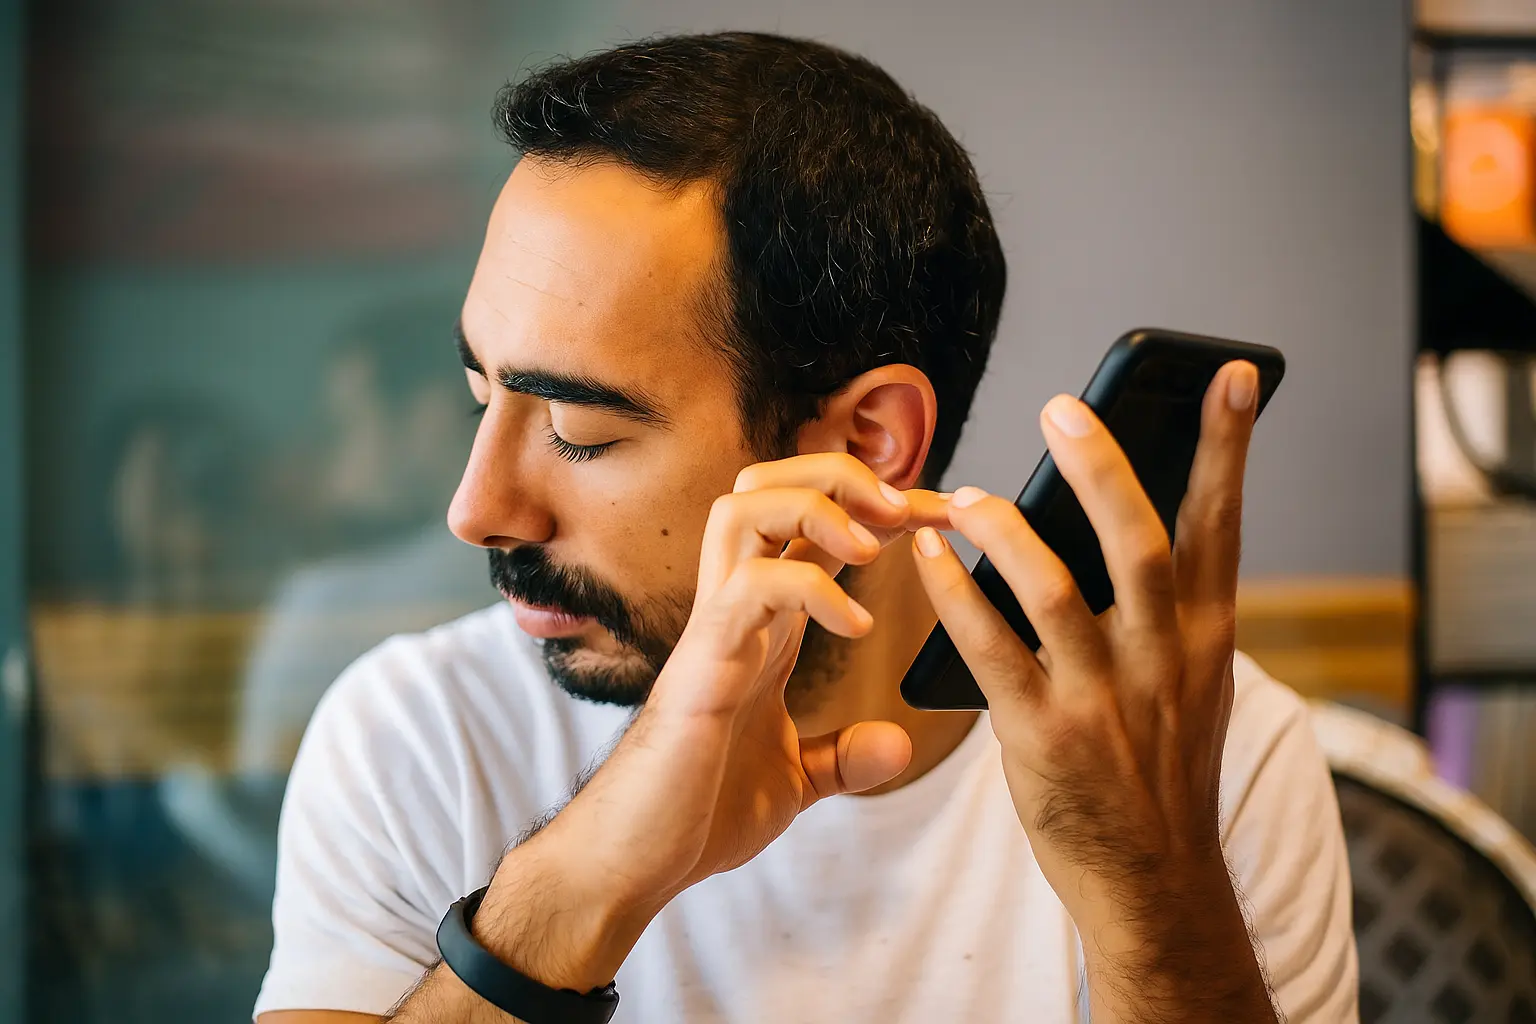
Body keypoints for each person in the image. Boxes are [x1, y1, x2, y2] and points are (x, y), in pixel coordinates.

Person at [255, 32, 1357, 1024]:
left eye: (581, 428)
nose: (475, 507)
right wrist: (585, 881)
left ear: (869, 441)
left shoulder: (1211, 759)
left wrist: (1146, 887)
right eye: (478, 394)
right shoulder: (420, 737)